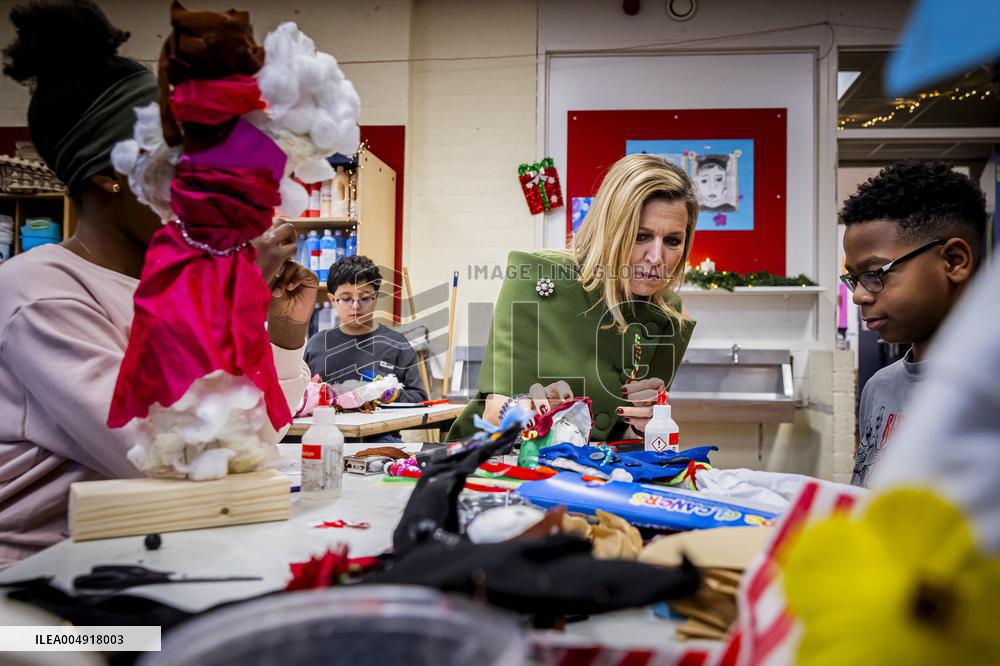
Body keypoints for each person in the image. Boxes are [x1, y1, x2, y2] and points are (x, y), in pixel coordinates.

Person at [0, 0, 315, 566]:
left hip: (141, 558)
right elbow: (175, 456)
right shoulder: (39, 294)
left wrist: (279, 331)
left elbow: (258, 443)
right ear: (108, 176)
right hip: (39, 596)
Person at [449, 153, 699, 441]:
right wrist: (529, 413)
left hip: (590, 474)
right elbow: (493, 410)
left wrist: (642, 425)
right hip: (495, 465)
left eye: (672, 241)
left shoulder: (669, 316)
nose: (656, 257)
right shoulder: (535, 277)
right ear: (611, 230)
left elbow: (625, 436)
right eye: (640, 236)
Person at [839, 160, 986, 487]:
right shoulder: (879, 387)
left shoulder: (988, 394)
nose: (859, 296)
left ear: (953, 261)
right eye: (854, 279)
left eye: (875, 274)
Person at [304, 255, 428, 404]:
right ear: (332, 300)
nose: (356, 306)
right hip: (327, 426)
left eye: (364, 298)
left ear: (375, 298)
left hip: (380, 427)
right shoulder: (316, 344)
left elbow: (419, 397)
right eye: (346, 298)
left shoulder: (396, 344)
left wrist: (392, 396)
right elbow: (298, 395)